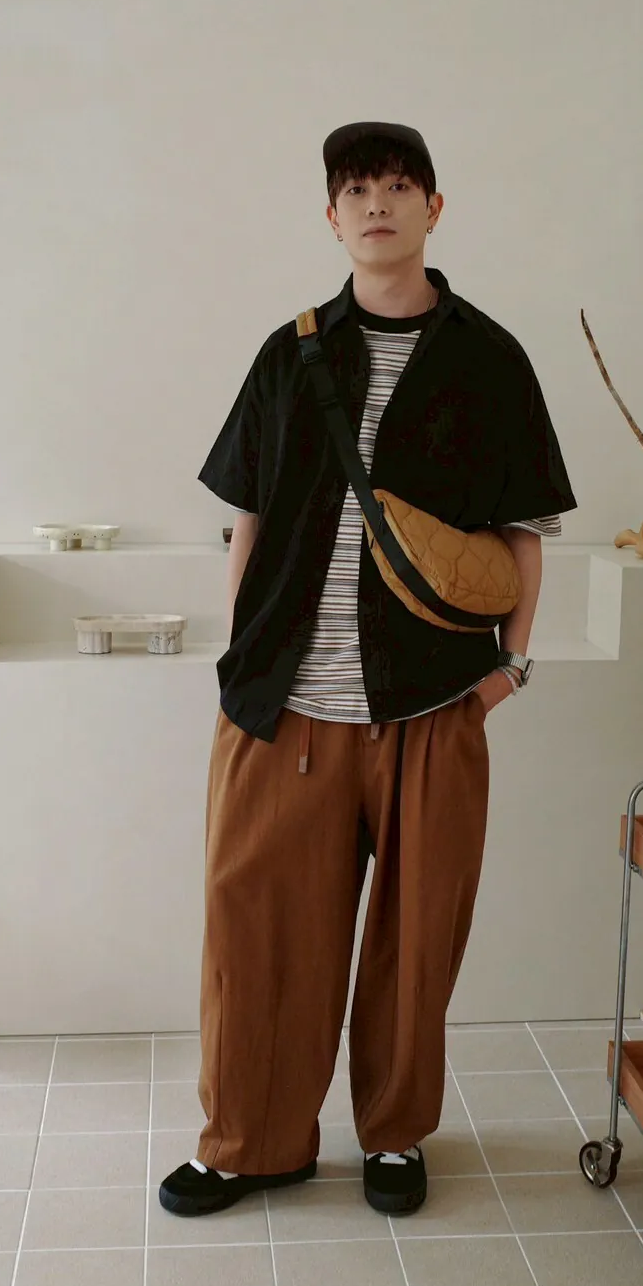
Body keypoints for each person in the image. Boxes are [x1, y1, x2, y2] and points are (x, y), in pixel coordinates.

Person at [159, 122, 576, 1220]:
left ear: (435, 208)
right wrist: (240, 658)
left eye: (399, 186)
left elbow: (524, 533)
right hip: (284, 706)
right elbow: (249, 520)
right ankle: (249, 1143)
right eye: (356, 190)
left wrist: (510, 669)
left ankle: (394, 1136)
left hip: (432, 704)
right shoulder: (289, 352)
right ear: (331, 217)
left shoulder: (491, 359)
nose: (377, 204)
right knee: (255, 931)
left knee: (416, 936)